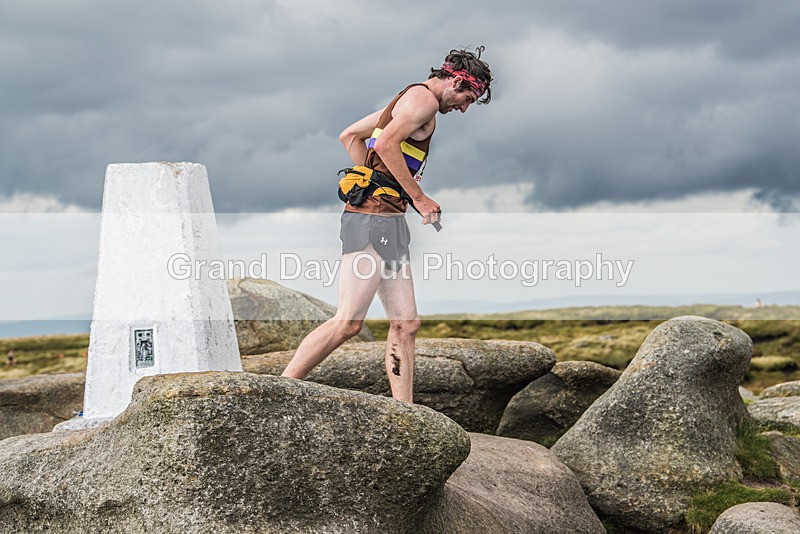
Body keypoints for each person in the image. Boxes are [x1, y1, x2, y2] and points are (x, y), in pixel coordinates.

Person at [281, 48, 493, 403]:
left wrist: (378, 180)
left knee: (406, 324)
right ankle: (279, 389)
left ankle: (404, 410)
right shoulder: (422, 101)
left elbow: (351, 136)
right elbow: (386, 143)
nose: (464, 108)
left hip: (388, 218)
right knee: (348, 321)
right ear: (456, 81)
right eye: (467, 98)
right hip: (371, 219)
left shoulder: (405, 102)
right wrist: (419, 197)